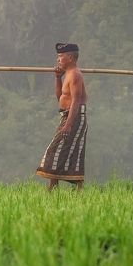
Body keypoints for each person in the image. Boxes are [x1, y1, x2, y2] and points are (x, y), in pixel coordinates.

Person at [36, 42, 88, 191]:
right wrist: (58, 78)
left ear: (70, 57)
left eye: (61, 56)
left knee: (63, 150)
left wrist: (69, 124)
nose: (58, 59)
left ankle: (76, 190)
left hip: (75, 117)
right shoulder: (67, 75)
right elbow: (60, 98)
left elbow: (76, 101)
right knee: (63, 150)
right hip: (67, 116)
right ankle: (53, 188)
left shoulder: (75, 75)